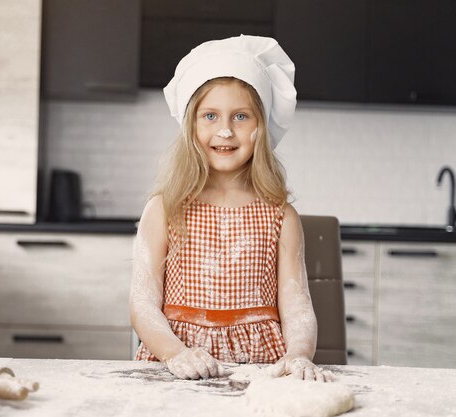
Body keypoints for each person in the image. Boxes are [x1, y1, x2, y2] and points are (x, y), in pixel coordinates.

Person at [130, 35, 332, 382]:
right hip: (176, 366)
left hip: (261, 369)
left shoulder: (281, 216)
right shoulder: (165, 208)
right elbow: (142, 303)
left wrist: (298, 355)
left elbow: (298, 306)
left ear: (261, 129)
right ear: (190, 126)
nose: (225, 130)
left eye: (241, 116)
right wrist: (175, 353)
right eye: (210, 116)